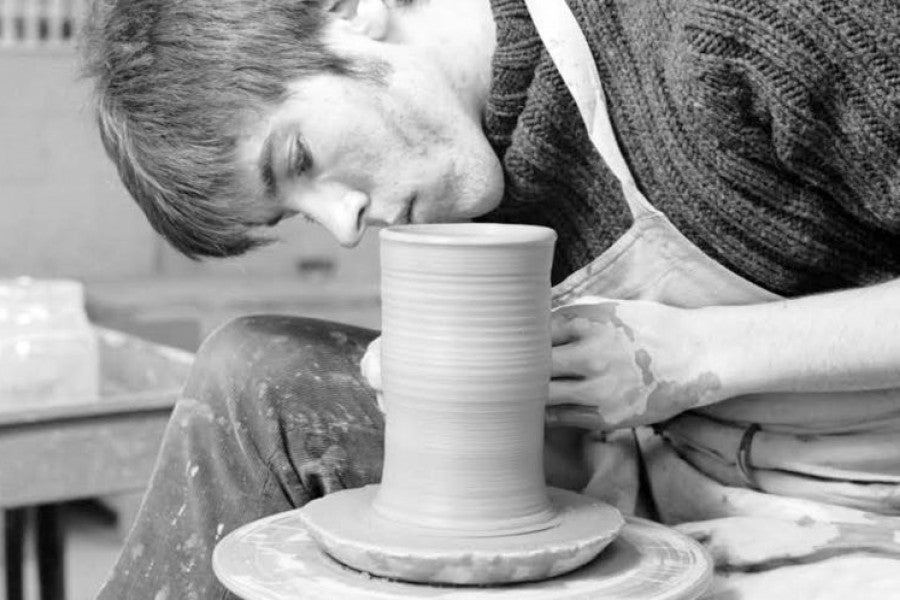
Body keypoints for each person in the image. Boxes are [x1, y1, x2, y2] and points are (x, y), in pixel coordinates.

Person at [83, 0, 900, 597]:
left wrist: (696, 356)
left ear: (349, 11)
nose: (340, 224)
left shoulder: (734, 28)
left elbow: (678, 361)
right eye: (291, 215)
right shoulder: (464, 168)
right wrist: (474, 384)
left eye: (299, 159)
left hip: (864, 503)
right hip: (678, 465)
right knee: (254, 373)